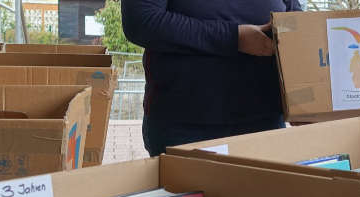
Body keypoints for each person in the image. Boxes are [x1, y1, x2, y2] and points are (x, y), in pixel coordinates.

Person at [122, 0, 302, 157]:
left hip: (266, 121)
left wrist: (305, 101)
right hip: (186, 125)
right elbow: (141, 21)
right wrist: (234, 38)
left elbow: (294, 18)